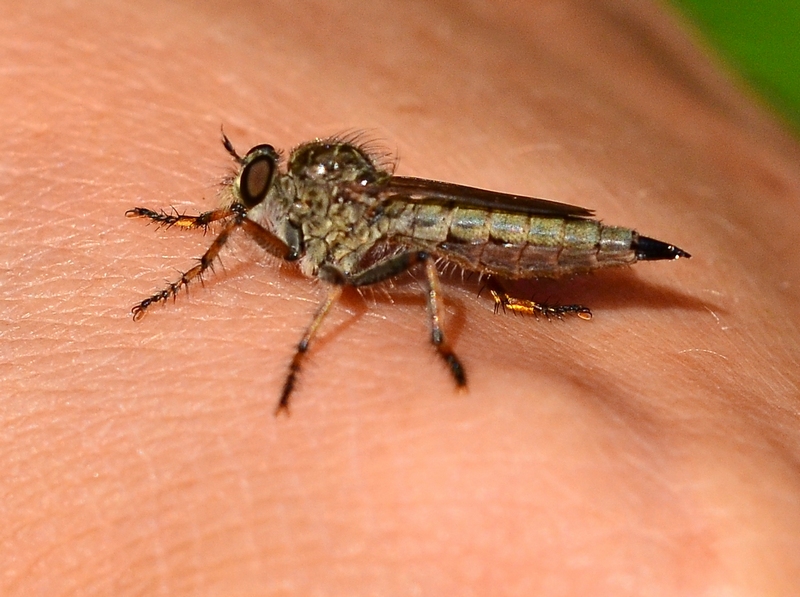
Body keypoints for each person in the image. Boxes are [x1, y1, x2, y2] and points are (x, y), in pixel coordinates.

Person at [2, 1, 798, 593]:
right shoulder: (280, 210)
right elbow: (252, 218)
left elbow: (373, 259)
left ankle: (450, 334)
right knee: (405, 246)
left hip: (479, 229)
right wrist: (203, 227)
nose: (244, 198)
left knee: (415, 246)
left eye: (250, 185)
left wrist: (302, 347)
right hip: (450, 223)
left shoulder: (321, 224)